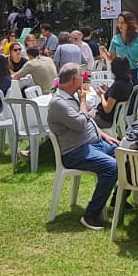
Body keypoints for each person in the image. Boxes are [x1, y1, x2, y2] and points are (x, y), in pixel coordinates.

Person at [49, 64, 121, 231]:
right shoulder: (58, 103)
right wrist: (82, 102)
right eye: (82, 76)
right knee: (112, 167)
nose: (84, 79)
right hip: (75, 151)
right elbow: (81, 124)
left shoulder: (70, 96)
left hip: (94, 143)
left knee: (127, 153)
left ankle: (119, 201)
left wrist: (105, 135)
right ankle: (91, 215)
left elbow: (88, 120)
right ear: (74, 79)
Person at [108, 11, 138, 117]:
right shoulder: (116, 38)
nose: (119, 25)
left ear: (129, 23)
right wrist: (104, 55)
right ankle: (128, 127)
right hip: (124, 75)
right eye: (118, 22)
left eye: (122, 22)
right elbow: (113, 58)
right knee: (127, 101)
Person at [95, 56, 137, 123]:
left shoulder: (118, 85)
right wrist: (108, 89)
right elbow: (118, 95)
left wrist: (102, 95)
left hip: (105, 119)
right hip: (117, 116)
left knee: (85, 118)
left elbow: (107, 109)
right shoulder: (128, 82)